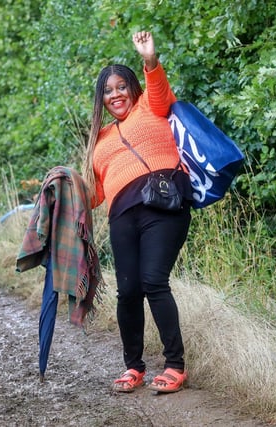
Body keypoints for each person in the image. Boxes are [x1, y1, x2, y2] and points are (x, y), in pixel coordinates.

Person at [82, 31, 192, 394]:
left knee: (153, 281)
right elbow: (94, 194)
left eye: (121, 87)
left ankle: (175, 366)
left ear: (132, 88)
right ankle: (134, 367)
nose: (115, 95)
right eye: (108, 91)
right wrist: (62, 192)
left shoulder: (151, 107)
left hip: (163, 204)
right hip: (122, 216)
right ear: (102, 99)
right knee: (127, 291)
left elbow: (157, 88)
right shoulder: (99, 139)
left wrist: (149, 59)